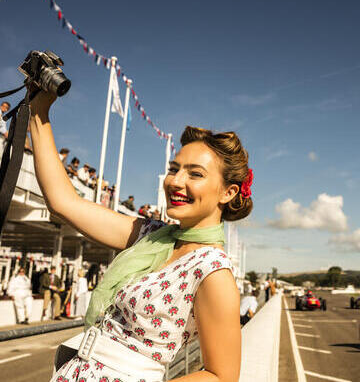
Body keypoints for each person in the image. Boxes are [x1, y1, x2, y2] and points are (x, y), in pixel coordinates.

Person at [30, 90, 252, 382]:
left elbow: (221, 376)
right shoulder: (151, 234)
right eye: (174, 169)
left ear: (228, 192)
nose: (175, 181)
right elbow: (64, 203)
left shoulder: (213, 271)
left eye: (195, 174)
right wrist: (39, 111)